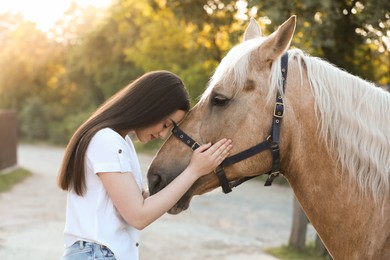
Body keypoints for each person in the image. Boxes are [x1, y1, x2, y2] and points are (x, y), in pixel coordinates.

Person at [57, 70, 232, 260]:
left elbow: (138, 202)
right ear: (151, 108)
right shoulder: (107, 140)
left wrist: (193, 173)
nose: (164, 134)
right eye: (166, 124)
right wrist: (193, 171)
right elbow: (138, 216)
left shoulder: (122, 143)